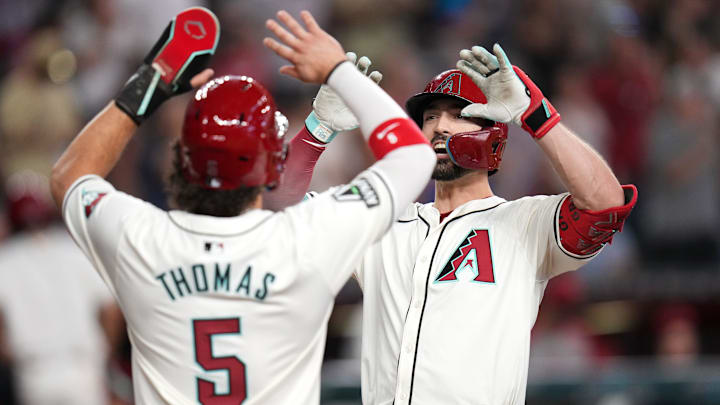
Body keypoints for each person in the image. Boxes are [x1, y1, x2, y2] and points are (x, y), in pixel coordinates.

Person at [50, 7, 435, 405]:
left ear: (181, 160)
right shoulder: (305, 241)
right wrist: (338, 70)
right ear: (272, 166)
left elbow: (69, 176)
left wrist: (152, 83)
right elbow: (413, 156)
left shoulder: (139, 239)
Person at [268, 44, 638, 404]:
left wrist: (535, 113)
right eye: (430, 117)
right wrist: (318, 129)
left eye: (458, 114)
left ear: (493, 133)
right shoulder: (384, 221)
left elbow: (605, 203)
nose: (439, 126)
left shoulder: (525, 222)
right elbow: (280, 208)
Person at [0, 171, 119, 405]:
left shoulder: (4, 259)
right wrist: (106, 350)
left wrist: (10, 354)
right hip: (83, 367)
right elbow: (111, 308)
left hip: (35, 373)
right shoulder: (75, 251)